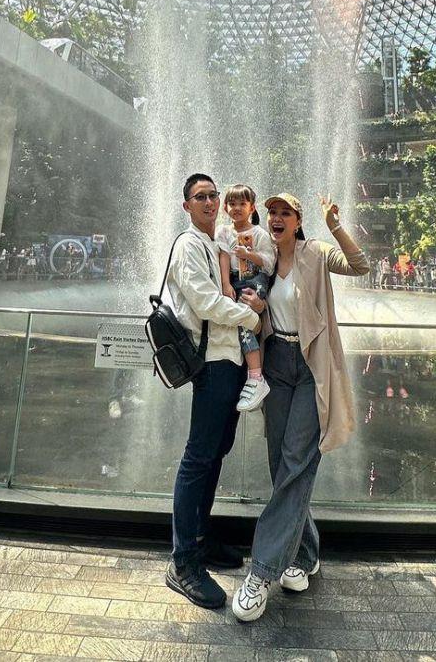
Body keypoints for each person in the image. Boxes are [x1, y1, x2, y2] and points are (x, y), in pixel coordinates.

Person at [232, 193, 369, 622]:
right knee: (281, 465)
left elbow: (360, 266)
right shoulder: (265, 256)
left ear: (297, 221)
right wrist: (253, 304)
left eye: (284, 213)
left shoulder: (315, 252)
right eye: (271, 212)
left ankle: (262, 570)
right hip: (276, 364)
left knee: (296, 459)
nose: (275, 218)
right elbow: (251, 300)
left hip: (310, 368)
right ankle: (304, 553)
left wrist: (336, 226)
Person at [165, 172, 264, 611]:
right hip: (210, 363)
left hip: (231, 362)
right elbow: (204, 302)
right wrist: (250, 317)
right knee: (198, 457)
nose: (209, 202)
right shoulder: (189, 245)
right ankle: (182, 561)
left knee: (216, 451)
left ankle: (200, 539)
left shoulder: (216, 243)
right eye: (199, 197)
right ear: (186, 206)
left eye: (212, 195)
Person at [217, 184, 275, 413]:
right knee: (240, 323)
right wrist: (225, 284)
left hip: (255, 280)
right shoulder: (223, 232)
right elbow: (223, 258)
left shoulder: (260, 234)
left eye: (242, 204)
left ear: (252, 207)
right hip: (234, 280)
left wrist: (248, 254)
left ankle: (256, 377)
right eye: (232, 204)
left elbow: (269, 265)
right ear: (225, 207)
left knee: (244, 323)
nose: (237, 208)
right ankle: (251, 375)